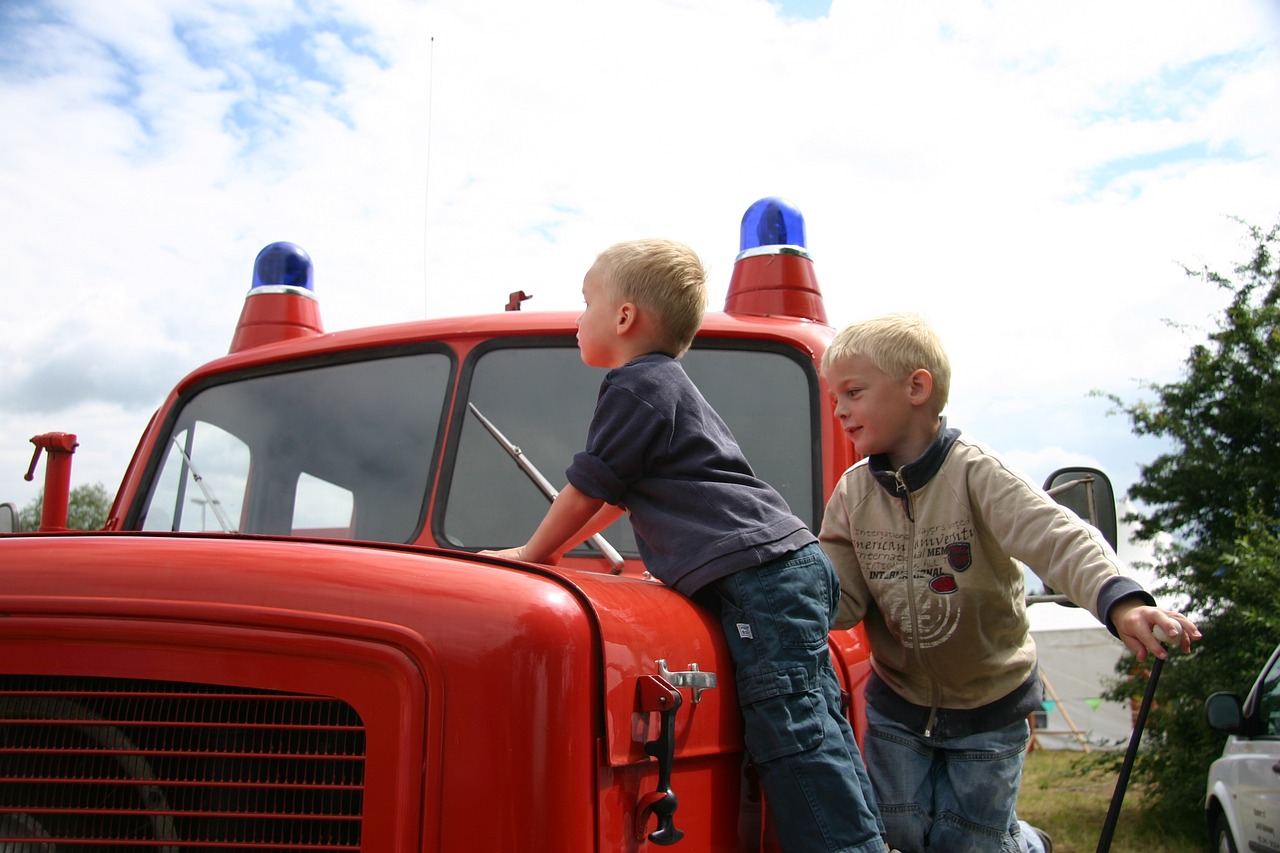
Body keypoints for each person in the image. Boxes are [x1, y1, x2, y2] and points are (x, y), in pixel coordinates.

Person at [483, 238, 889, 853]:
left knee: (791, 732)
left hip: (763, 576)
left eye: (587, 303)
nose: (578, 318)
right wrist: (557, 546)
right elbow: (613, 496)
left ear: (624, 317)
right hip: (783, 567)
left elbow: (589, 486)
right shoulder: (664, 387)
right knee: (818, 721)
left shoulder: (635, 386)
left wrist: (532, 555)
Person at [817, 312, 1201, 853]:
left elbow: (1057, 537)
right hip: (898, 702)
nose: (839, 409)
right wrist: (783, 594)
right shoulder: (853, 494)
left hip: (990, 704)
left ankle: (1024, 844)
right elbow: (839, 595)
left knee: (968, 843)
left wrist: (1123, 603)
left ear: (917, 388)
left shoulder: (976, 473)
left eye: (853, 392)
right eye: (835, 397)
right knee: (895, 833)